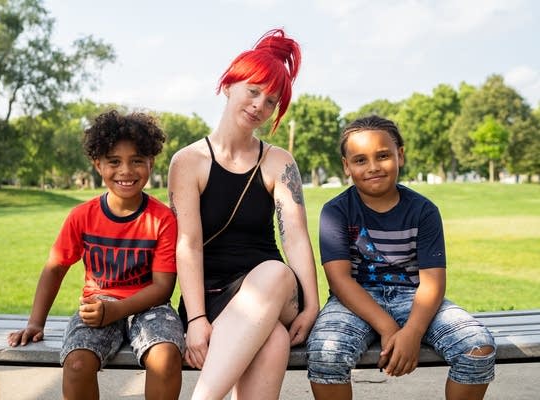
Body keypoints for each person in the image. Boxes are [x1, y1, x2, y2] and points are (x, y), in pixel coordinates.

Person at [167, 28, 319, 400]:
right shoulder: (188, 162)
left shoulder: (278, 162)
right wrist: (197, 319)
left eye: (271, 101)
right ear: (228, 85)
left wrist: (312, 304)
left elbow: (295, 236)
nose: (259, 106)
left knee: (275, 272)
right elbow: (188, 245)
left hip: (275, 290)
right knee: (274, 342)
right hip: (211, 296)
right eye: (253, 91)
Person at [307, 115, 496, 400]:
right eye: (360, 160)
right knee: (325, 352)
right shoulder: (336, 211)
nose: (372, 167)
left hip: (414, 297)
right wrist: (389, 327)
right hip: (355, 300)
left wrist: (413, 332)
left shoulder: (424, 210)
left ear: (400, 156)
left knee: (477, 347)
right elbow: (339, 280)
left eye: (383, 156)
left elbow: (432, 282)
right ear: (346, 166)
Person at [7, 110, 185, 400]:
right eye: (114, 162)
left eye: (137, 160)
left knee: (165, 358)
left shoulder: (162, 219)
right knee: (76, 364)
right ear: (97, 164)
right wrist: (35, 323)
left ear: (151, 162)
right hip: (98, 305)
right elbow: (55, 268)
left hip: (151, 308)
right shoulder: (82, 217)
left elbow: (162, 287)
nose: (126, 171)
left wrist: (117, 310)